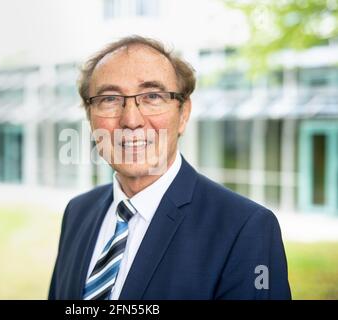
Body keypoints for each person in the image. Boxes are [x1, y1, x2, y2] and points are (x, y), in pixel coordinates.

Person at [48, 35, 291, 300]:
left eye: (152, 96)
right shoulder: (77, 212)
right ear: (89, 116)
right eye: (109, 99)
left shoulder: (245, 229)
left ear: (183, 114)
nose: (131, 120)